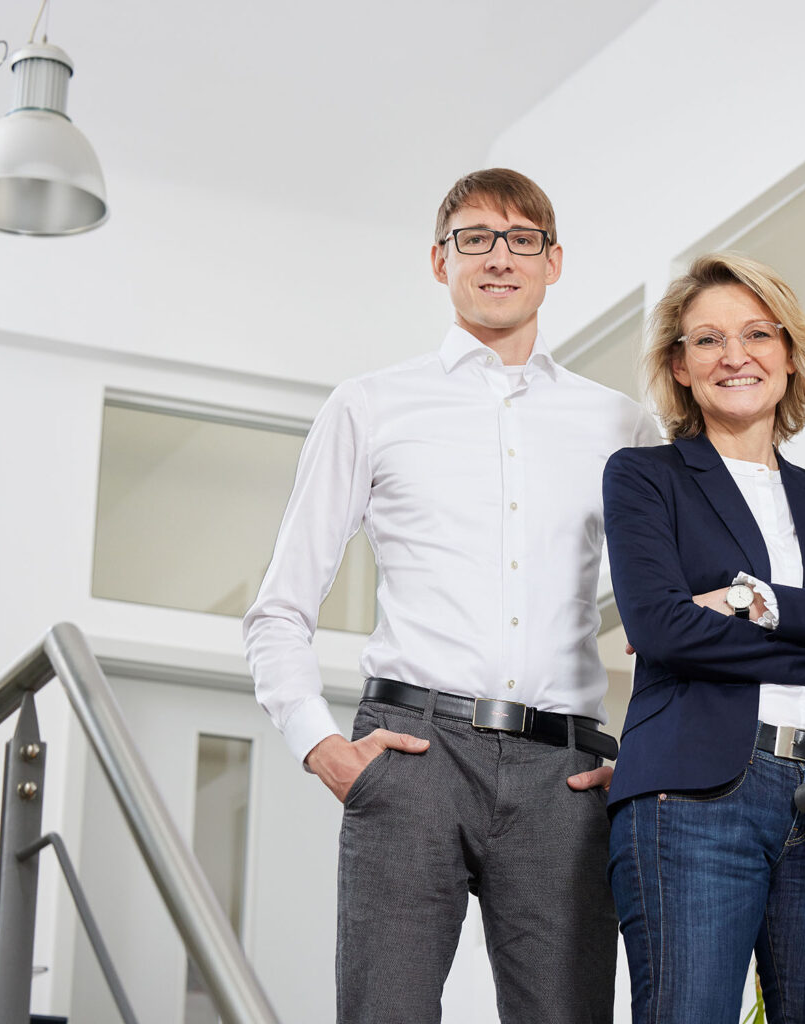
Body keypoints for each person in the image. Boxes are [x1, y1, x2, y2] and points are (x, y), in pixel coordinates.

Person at [243, 168, 660, 1024]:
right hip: (411, 757)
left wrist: (645, 753)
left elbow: (667, 613)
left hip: (566, 775)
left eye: (521, 240)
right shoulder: (370, 406)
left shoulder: (619, 425)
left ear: (554, 262)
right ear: (440, 262)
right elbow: (280, 607)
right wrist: (322, 746)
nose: (498, 257)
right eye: (475, 238)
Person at [602, 251, 805, 1023]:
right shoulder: (644, 478)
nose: (735, 356)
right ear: (680, 365)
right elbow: (661, 627)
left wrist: (750, 601)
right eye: (707, 340)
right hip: (697, 794)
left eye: (757, 333)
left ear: (789, 355)